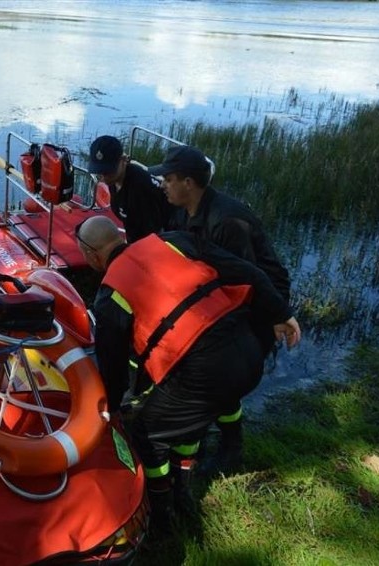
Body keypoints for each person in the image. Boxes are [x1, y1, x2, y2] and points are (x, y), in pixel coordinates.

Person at [75, 215, 300, 534]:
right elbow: (245, 270)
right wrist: (280, 313)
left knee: (147, 433)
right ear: (120, 236)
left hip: (205, 373)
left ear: (91, 254)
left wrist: (111, 410)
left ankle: (161, 513)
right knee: (186, 416)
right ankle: (188, 484)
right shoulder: (174, 240)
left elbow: (112, 369)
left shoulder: (110, 295)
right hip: (248, 351)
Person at [149, 145, 292, 474]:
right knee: (216, 377)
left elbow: (246, 279)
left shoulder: (228, 221)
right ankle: (212, 439)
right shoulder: (183, 210)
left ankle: (229, 447)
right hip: (223, 298)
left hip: (256, 301)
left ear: (189, 182)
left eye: (168, 179)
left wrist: (277, 317)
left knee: (223, 374)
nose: (163, 185)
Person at [87, 135, 173, 243]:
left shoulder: (140, 188)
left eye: (108, 172)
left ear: (123, 160)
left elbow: (152, 233)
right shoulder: (115, 179)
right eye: (100, 172)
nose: (103, 177)